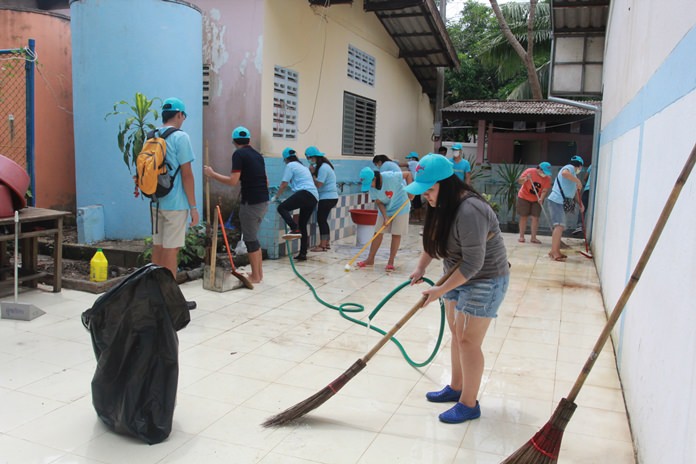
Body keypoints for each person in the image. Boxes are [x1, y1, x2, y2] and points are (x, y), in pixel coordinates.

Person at [406, 154, 509, 424]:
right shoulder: (442, 203)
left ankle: (469, 403)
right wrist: (421, 268)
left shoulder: (469, 209)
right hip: (455, 274)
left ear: (446, 184)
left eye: (429, 189)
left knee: (468, 341)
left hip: (485, 278)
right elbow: (432, 240)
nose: (425, 196)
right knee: (456, 332)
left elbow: (474, 262)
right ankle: (456, 386)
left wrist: (439, 291)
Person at [148, 98, 198, 309]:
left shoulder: (151, 136)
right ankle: (170, 302)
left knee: (158, 247)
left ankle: (153, 296)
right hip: (176, 203)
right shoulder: (180, 137)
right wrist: (194, 207)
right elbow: (187, 175)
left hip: (155, 201)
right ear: (179, 115)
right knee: (171, 250)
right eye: (183, 116)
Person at [203, 126, 269, 283]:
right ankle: (259, 274)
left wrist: (212, 175)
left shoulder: (238, 154)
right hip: (263, 201)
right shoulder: (257, 155)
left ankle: (255, 276)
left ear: (233, 141)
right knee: (254, 238)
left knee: (250, 240)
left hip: (251, 203)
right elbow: (265, 180)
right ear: (249, 140)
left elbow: (233, 181)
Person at [357, 167, 412, 271]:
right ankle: (370, 259)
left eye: (370, 184)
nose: (370, 187)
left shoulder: (390, 177)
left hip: (401, 206)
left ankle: (391, 261)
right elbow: (379, 202)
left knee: (396, 233)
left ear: (374, 179)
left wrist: (411, 191)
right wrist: (385, 216)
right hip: (386, 208)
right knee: (378, 232)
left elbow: (408, 174)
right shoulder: (372, 189)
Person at [273, 147, 319, 261]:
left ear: (286, 159)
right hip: (313, 197)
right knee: (303, 224)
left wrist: (276, 197)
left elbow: (284, 184)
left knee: (282, 208)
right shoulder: (302, 166)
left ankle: (294, 228)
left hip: (305, 193)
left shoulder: (290, 166)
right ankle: (303, 254)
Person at [546, 155, 585, 261]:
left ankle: (555, 250)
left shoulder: (572, 177)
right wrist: (577, 181)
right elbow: (564, 173)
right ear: (579, 165)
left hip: (559, 202)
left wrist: (580, 204)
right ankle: (554, 252)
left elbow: (574, 194)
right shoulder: (570, 168)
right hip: (556, 201)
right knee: (559, 226)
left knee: (560, 226)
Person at [305, 146, 338, 252]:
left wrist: (312, 173)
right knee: (323, 220)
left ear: (314, 157)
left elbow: (319, 184)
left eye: (309, 158)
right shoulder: (325, 166)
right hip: (330, 197)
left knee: (321, 220)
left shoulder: (323, 167)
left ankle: (322, 245)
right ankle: (326, 243)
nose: (309, 160)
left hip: (327, 197)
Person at [516, 162, 552, 244]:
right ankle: (521, 236)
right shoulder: (529, 171)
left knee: (535, 217)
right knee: (523, 216)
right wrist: (526, 179)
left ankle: (533, 238)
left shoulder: (547, 178)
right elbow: (519, 181)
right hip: (524, 197)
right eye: (544, 172)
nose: (545, 174)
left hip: (537, 199)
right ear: (539, 169)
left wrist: (541, 198)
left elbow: (545, 190)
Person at [573, 164, 592, 236]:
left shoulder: (591, 165)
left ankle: (579, 225)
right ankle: (581, 226)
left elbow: (585, 178)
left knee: (583, 207)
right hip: (594, 190)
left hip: (587, 189)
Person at [406, 152, 423, 222]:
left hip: (414, 185)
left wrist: (392, 162)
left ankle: (416, 218)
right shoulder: (418, 163)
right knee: (418, 202)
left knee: (415, 202)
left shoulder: (413, 163)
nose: (408, 160)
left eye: (409, 158)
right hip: (418, 185)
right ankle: (419, 217)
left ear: (413, 158)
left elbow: (402, 164)